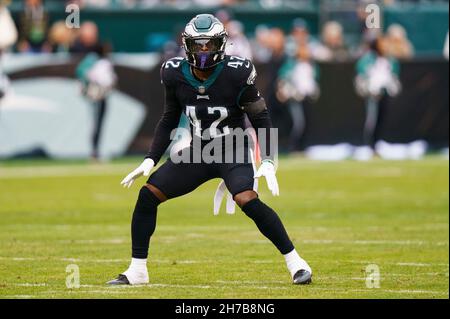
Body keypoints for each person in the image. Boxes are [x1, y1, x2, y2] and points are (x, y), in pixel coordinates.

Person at [107, 14, 312, 286]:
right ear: (187, 45)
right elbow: (169, 118)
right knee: (148, 195)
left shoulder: (236, 73)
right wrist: (150, 159)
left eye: (209, 44)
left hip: (233, 148)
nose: (204, 51)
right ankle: (137, 271)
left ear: (221, 44)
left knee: (246, 199)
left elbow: (261, 118)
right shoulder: (173, 72)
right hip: (200, 151)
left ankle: (296, 263)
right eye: (198, 44)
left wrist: (269, 160)